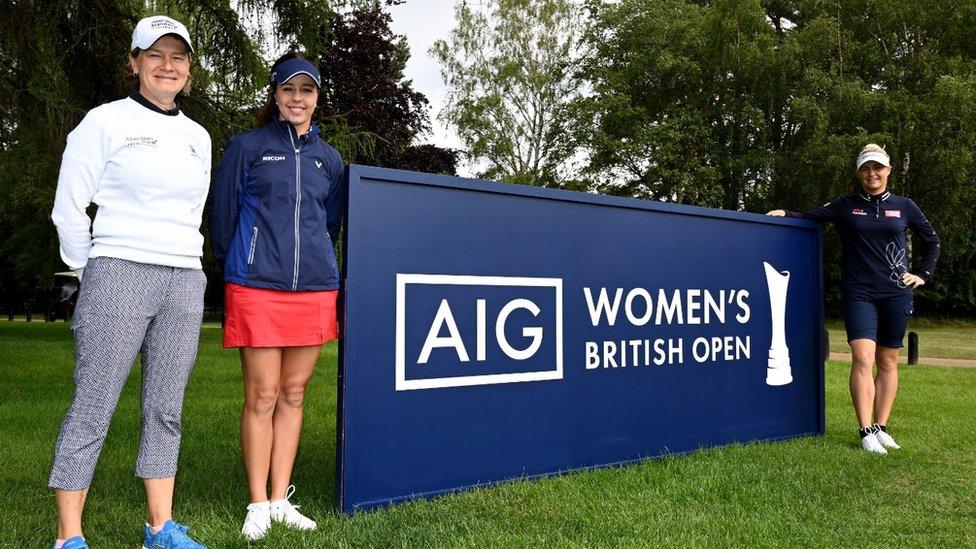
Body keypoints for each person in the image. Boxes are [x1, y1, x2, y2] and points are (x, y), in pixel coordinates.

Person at [48, 15, 210, 549]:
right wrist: (86, 269)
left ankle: (161, 530)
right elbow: (69, 206)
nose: (168, 66)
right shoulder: (104, 121)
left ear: (188, 68)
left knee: (166, 405)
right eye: (156, 55)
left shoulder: (198, 137)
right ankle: (69, 537)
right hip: (119, 269)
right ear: (134, 62)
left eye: (178, 57)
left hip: (184, 277)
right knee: (94, 401)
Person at [209, 52, 345, 541]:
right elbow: (222, 218)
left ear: (316, 98)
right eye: (288, 89)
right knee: (262, 395)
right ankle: (256, 503)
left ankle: (280, 497)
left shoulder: (330, 160)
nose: (297, 98)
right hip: (256, 287)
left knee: (293, 393)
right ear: (275, 94)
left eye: (306, 90)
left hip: (313, 289)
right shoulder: (246, 147)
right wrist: (242, 265)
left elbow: (328, 223)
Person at [767, 144, 940, 455]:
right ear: (859, 173)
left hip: (895, 292)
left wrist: (923, 274)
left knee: (888, 361)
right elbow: (811, 218)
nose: (871, 174)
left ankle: (882, 427)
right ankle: (865, 431)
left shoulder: (905, 206)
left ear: (888, 171)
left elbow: (932, 241)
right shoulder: (846, 205)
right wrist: (786, 214)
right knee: (862, 358)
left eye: (877, 168)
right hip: (859, 292)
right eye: (865, 169)